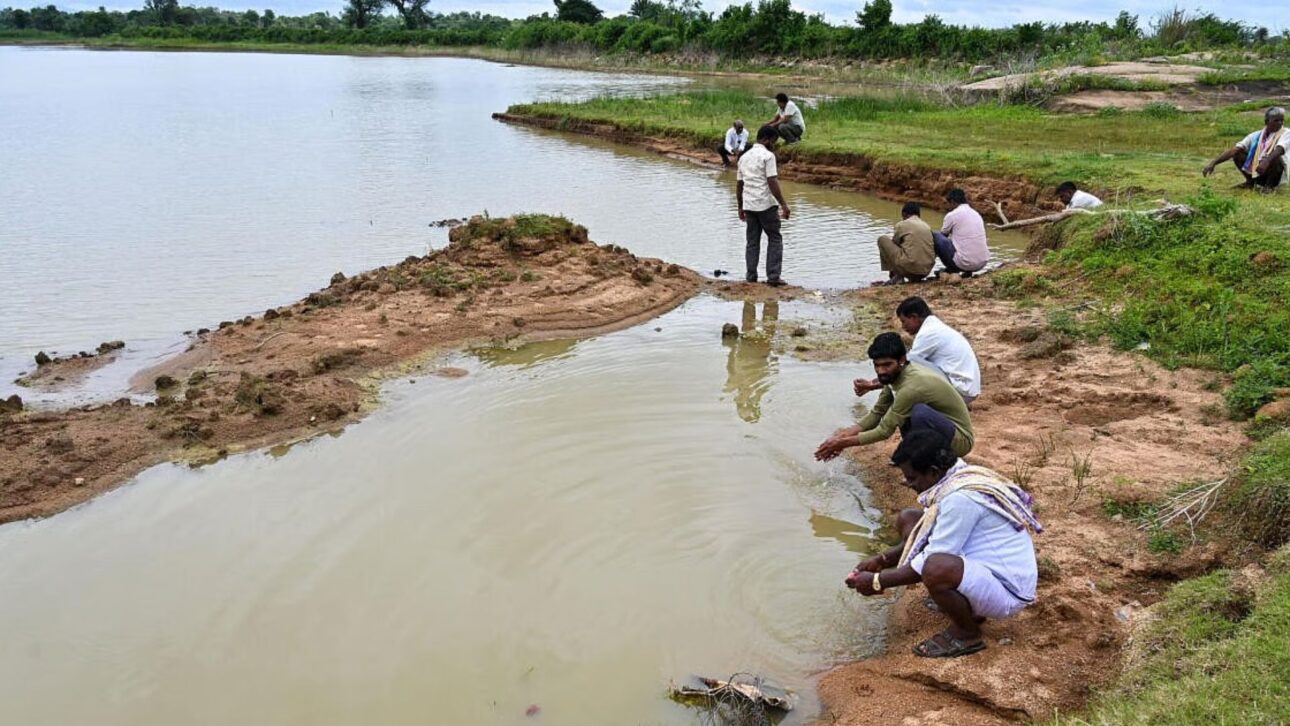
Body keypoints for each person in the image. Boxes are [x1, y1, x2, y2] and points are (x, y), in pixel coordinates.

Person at [843, 430, 1041, 658]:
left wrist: (877, 582)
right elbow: (926, 534)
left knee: (936, 568)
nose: (907, 483)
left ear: (934, 471)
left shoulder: (961, 500)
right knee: (910, 518)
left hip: (1008, 591)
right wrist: (883, 559)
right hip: (991, 571)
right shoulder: (958, 476)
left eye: (912, 477)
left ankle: (967, 633)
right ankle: (964, 602)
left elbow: (928, 561)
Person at [814, 332, 974, 462]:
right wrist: (842, 435)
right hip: (942, 428)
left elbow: (884, 431)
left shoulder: (912, 386)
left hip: (960, 440)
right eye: (877, 365)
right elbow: (877, 413)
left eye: (887, 365)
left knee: (918, 413)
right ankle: (918, 459)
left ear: (902, 360)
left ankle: (936, 462)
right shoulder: (894, 377)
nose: (881, 371)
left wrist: (842, 443)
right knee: (904, 414)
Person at [865, 296, 982, 404]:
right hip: (967, 387)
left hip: (962, 390)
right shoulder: (934, 327)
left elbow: (904, 366)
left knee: (907, 363)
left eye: (904, 321)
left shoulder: (928, 334)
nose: (903, 327)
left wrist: (872, 384)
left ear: (914, 317)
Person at [737, 125, 791, 287]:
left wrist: (740, 206)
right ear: (766, 139)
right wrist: (784, 204)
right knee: (775, 238)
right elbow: (772, 181)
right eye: (774, 141)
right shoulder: (768, 156)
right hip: (766, 204)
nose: (774, 144)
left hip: (749, 204)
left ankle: (751, 276)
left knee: (752, 241)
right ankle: (773, 276)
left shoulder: (744, 157)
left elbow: (739, 185)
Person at [1203, 106, 1288, 190]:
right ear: (1266, 121)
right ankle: (1250, 182)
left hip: (1277, 175)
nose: (1280, 123)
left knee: (1275, 156)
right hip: (1258, 171)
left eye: (1281, 120)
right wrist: (1214, 163)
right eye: (1276, 120)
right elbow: (1235, 149)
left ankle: (1269, 187)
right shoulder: (1256, 136)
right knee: (1238, 154)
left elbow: (1280, 149)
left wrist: (1266, 161)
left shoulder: (1286, 133)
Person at [874, 202, 936, 286]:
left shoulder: (902, 224)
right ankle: (904, 276)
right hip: (926, 271)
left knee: (882, 240)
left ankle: (896, 276)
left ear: (904, 214)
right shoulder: (927, 226)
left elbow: (895, 244)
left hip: (910, 269)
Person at [933, 189, 990, 277]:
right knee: (963, 240)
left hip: (964, 263)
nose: (948, 207)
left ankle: (952, 269)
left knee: (936, 236)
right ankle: (966, 271)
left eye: (948, 204)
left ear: (952, 201)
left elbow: (943, 236)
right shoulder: (976, 214)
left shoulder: (952, 215)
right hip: (982, 262)